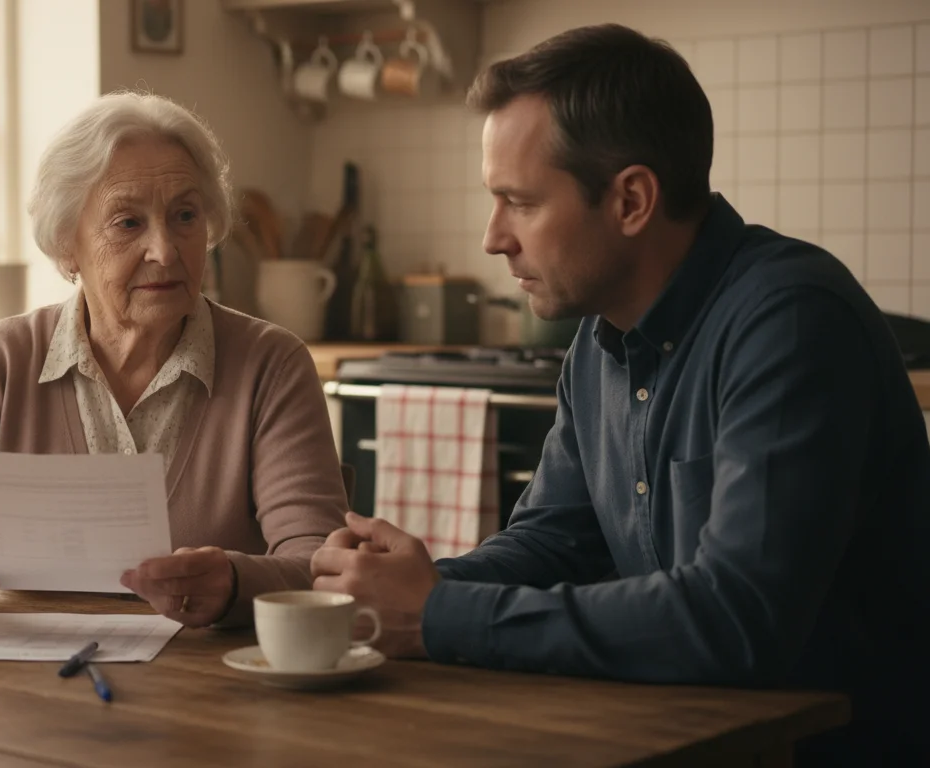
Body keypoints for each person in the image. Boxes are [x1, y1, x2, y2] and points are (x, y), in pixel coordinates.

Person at [311, 24, 928, 765]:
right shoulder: (599, 341)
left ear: (632, 200)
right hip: (681, 737)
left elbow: (735, 621)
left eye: (520, 202)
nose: (492, 238)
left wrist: (439, 613)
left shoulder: (790, 323)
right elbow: (552, 542)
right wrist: (391, 587)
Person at [0, 92, 346, 632]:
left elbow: (322, 565)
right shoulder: (2, 362)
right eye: (128, 223)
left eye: (185, 216)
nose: (165, 250)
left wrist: (234, 584)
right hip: (30, 692)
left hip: (213, 695)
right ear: (66, 246)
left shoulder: (271, 364)